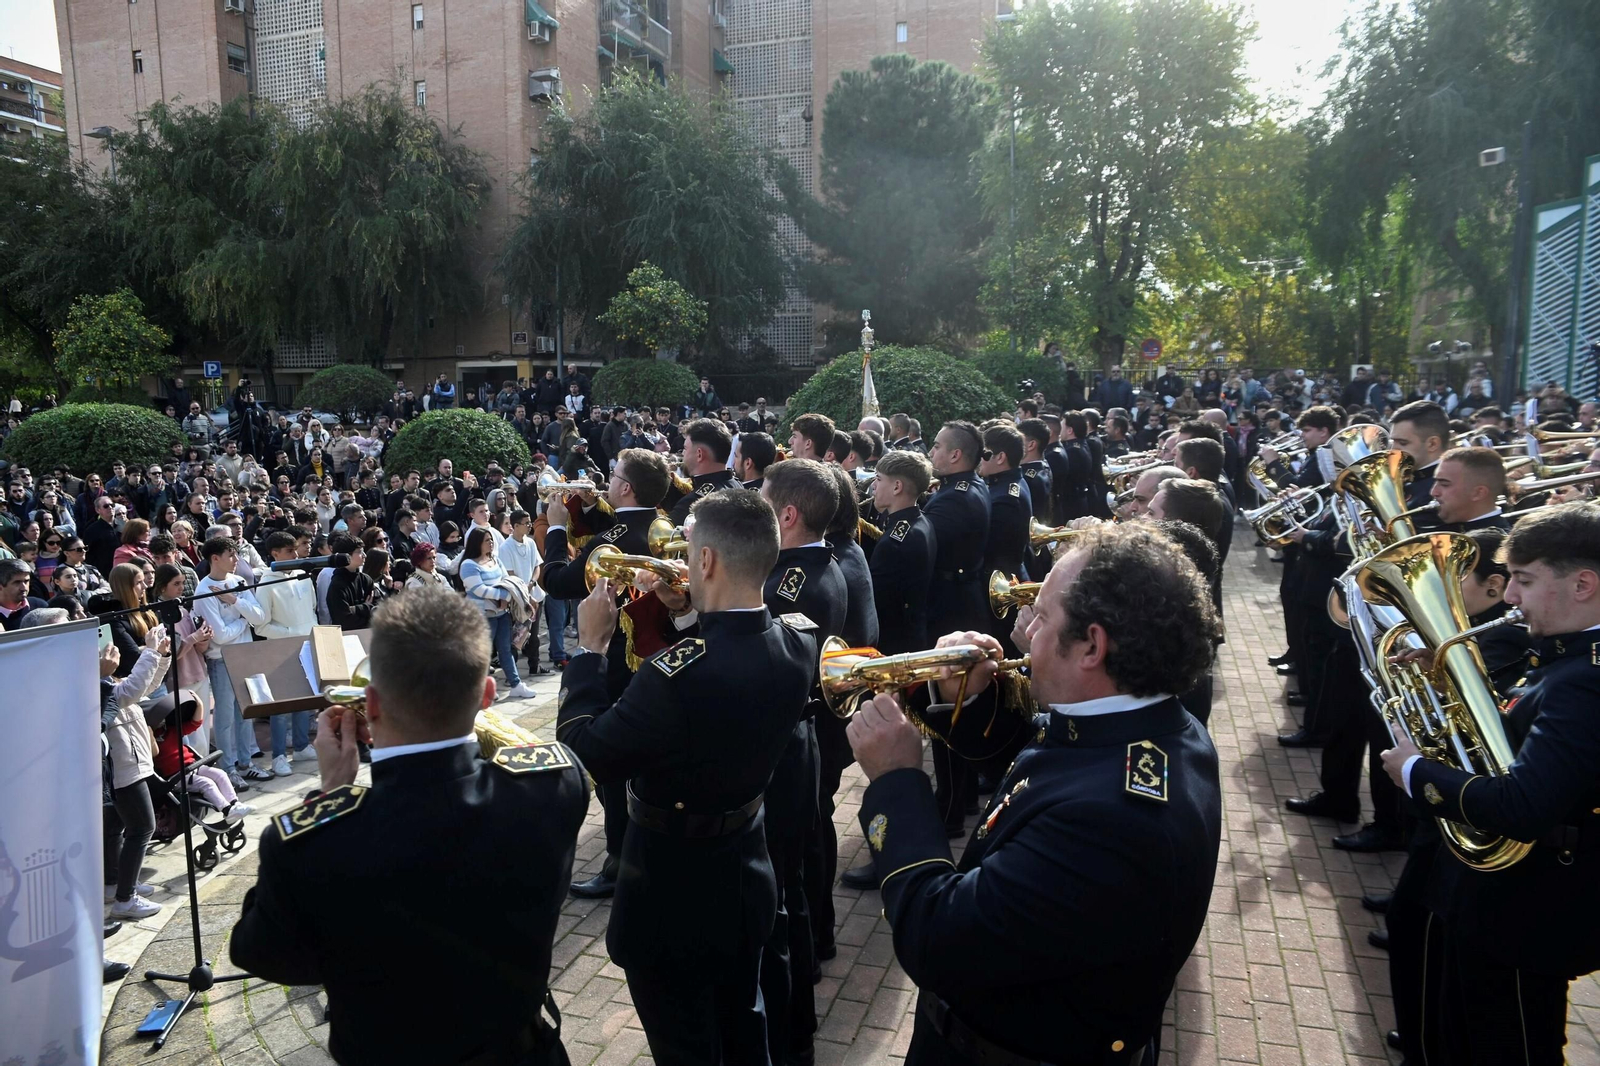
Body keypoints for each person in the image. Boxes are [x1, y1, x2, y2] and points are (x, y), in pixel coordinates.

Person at [846, 523, 1222, 1065]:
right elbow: (1045, 769)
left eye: (1042, 617)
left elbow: (938, 939)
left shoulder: (1113, 819)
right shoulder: (1152, 724)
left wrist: (897, 782)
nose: (1025, 630)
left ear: (1092, 645)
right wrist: (966, 701)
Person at [229, 588, 587, 1066]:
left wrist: (331, 792)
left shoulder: (310, 840)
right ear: (487, 695)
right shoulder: (555, 783)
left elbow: (265, 954)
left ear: (370, 703)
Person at [557, 491, 814, 1064]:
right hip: (745, 870)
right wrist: (690, 613)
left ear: (705, 563)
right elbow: (732, 648)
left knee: (687, 1047)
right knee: (744, 1028)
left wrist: (589, 649)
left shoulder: (673, 677)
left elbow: (583, 752)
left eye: (687, 549)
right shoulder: (799, 640)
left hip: (671, 892)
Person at [1380, 504, 1600, 1066]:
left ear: (1583, 584)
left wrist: (1415, 771)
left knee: (1507, 1048)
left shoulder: (1585, 680)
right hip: (1500, 899)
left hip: (1528, 911)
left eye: (1524, 581)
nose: (1511, 597)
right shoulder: (1564, 658)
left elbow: (1523, 804)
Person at [923, 420, 992, 836]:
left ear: (955, 455)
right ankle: (962, 798)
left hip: (950, 607)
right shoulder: (968, 488)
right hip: (961, 600)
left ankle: (948, 812)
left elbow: (922, 552)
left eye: (936, 447)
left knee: (946, 711)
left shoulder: (951, 501)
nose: (930, 453)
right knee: (959, 711)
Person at [102, 624, 174, 919]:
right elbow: (129, 691)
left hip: (130, 763)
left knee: (115, 829)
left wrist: (161, 656)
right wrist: (151, 652)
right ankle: (125, 898)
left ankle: (115, 884)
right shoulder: (92, 681)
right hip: (122, 767)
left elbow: (142, 689)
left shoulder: (103, 677)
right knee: (142, 827)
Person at [193, 536, 272, 788]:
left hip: (245, 656)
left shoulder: (237, 582)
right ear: (215, 558)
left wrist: (235, 601)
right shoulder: (204, 591)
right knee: (225, 718)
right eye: (231, 555)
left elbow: (260, 617)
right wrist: (243, 620)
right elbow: (221, 635)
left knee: (246, 714)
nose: (236, 560)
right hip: (222, 660)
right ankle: (228, 769)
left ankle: (246, 764)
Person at [253, 530, 318, 774]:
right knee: (280, 708)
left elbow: (311, 609)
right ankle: (279, 756)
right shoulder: (266, 582)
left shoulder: (303, 574)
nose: (295, 554)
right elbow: (261, 625)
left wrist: (310, 633)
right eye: (289, 551)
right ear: (274, 554)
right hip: (279, 651)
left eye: (295, 549)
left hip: (306, 646)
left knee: (304, 699)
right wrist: (291, 633)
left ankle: (301, 747)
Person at [461, 526, 539, 700]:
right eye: (486, 540)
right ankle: (482, 689)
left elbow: (506, 579)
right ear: (477, 543)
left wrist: (507, 598)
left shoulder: (495, 559)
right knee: (483, 653)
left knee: (505, 649)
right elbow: (478, 589)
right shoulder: (468, 565)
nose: (491, 543)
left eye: (491, 539)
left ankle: (516, 684)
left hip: (501, 614)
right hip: (482, 617)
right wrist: (503, 595)